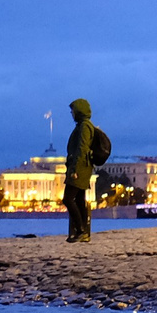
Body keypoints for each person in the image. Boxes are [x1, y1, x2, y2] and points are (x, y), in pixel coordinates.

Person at [63, 98, 110, 242]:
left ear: (79, 111)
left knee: (68, 199)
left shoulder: (84, 127)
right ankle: (84, 233)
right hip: (83, 167)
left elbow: (82, 149)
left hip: (80, 168)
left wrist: (75, 169)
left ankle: (80, 230)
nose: (71, 113)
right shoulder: (84, 126)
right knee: (79, 200)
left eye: (73, 111)